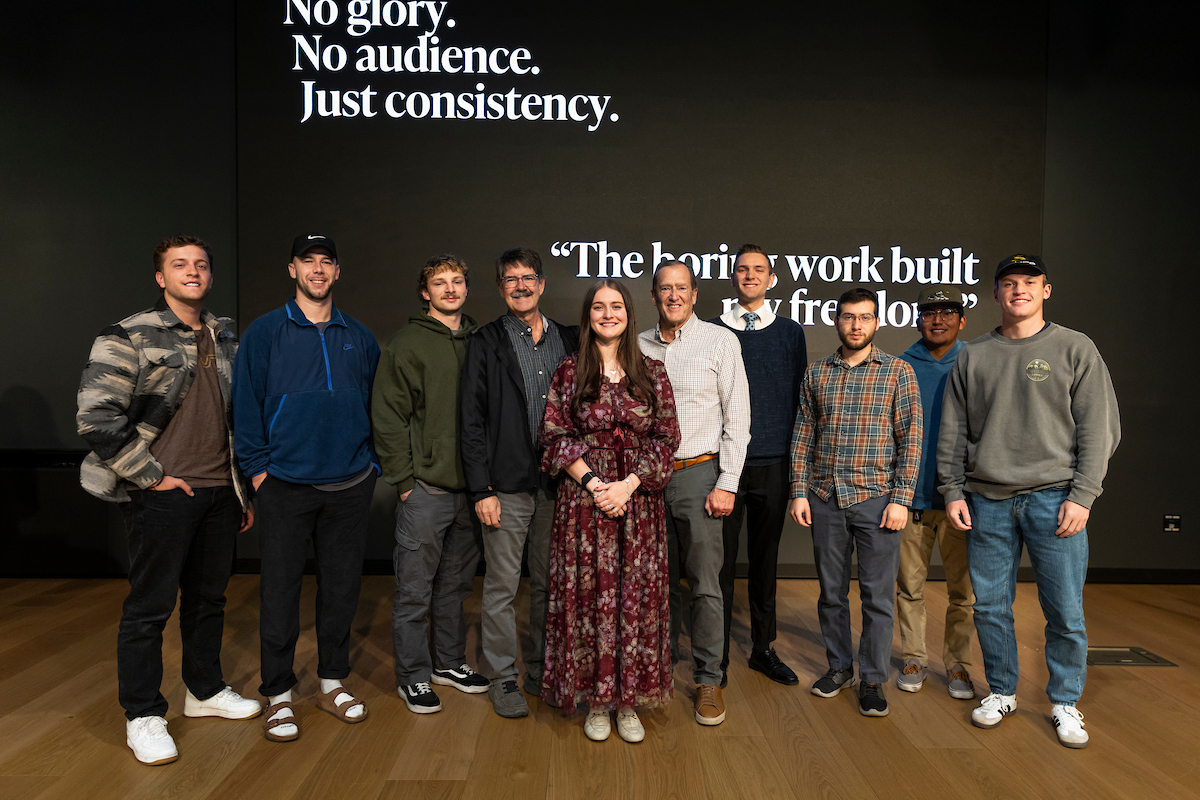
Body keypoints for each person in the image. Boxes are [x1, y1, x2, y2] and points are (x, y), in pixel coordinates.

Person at [78, 235, 260, 765]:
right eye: (180, 265)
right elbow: (96, 415)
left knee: (209, 601)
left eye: (200, 264)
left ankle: (204, 691)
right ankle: (142, 714)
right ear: (161, 278)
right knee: (149, 608)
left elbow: (238, 418)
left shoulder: (227, 336)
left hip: (219, 491)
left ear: (210, 275)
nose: (192, 271)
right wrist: (151, 478)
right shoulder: (127, 334)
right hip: (161, 494)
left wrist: (241, 489)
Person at [940, 254, 1120, 749]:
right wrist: (952, 490)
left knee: (1064, 610)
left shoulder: (1075, 348)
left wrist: (1083, 496)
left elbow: (1100, 429)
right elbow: (953, 431)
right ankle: (1002, 691)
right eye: (1009, 283)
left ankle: (1064, 701)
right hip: (988, 500)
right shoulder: (973, 355)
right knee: (990, 607)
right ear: (995, 294)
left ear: (1045, 291)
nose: (1019, 289)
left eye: (1029, 281)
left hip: (1055, 498)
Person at [233, 233, 381, 742]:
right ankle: (278, 693)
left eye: (326, 262)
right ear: (292, 269)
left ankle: (332, 682)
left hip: (350, 483)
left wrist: (371, 465)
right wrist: (258, 472)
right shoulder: (265, 332)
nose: (317, 270)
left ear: (337, 271)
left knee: (341, 589)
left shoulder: (359, 335)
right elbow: (245, 404)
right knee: (279, 592)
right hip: (284, 484)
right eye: (308, 261)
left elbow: (375, 406)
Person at [540, 279, 681, 743]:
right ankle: (597, 702)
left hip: (638, 503)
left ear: (628, 313)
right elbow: (555, 435)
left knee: (635, 598)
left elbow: (666, 437)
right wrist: (596, 484)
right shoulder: (569, 370)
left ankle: (628, 702)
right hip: (585, 503)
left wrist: (628, 485)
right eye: (598, 307)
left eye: (616, 306)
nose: (607, 314)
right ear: (588, 316)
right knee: (589, 596)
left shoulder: (652, 371)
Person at [789, 287, 922, 718]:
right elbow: (803, 436)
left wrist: (901, 499)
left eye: (865, 317)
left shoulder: (898, 372)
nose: (856, 325)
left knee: (877, 597)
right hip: (825, 497)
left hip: (877, 500)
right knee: (831, 593)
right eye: (848, 317)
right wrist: (798, 491)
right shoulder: (816, 373)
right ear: (836, 321)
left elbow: (911, 440)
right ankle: (839, 667)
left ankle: (873, 679)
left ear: (877, 322)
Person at [460, 247, 579, 718]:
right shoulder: (486, 341)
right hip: (505, 486)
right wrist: (481, 489)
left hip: (557, 484)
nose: (521, 286)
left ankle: (541, 670)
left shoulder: (569, 339)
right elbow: (471, 421)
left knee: (549, 584)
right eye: (511, 279)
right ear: (500, 288)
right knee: (502, 588)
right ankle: (503, 677)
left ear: (542, 284)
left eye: (528, 278)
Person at [372, 255, 486, 713]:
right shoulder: (407, 344)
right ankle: (413, 676)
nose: (450, 289)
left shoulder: (481, 341)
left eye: (457, 281)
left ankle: (449, 662)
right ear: (426, 292)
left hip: (472, 491)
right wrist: (404, 482)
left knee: (455, 588)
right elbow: (388, 417)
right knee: (415, 591)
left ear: (467, 288)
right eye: (440, 283)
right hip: (425, 491)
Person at [639, 260, 750, 726]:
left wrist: (726, 483)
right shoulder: (636, 345)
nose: (673, 296)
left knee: (704, 583)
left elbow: (737, 418)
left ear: (695, 293)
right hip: (646, 481)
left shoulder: (720, 341)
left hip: (698, 473)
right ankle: (657, 669)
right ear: (654, 296)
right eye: (665, 289)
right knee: (654, 582)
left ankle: (708, 678)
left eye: (681, 288)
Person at [711, 244, 807, 686]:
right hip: (723, 465)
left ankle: (763, 648)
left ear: (771, 280)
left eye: (759, 270)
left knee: (765, 562)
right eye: (742, 269)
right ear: (733, 277)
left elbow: (800, 401)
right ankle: (715, 654)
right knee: (720, 564)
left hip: (773, 463)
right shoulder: (714, 330)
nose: (750, 275)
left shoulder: (789, 332)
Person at [895, 286, 977, 700]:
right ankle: (914, 657)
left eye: (947, 313)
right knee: (909, 588)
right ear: (918, 320)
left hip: (960, 502)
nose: (938, 320)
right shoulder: (900, 366)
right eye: (930, 313)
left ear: (962, 320)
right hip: (911, 499)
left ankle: (959, 664)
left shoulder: (975, 361)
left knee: (963, 593)